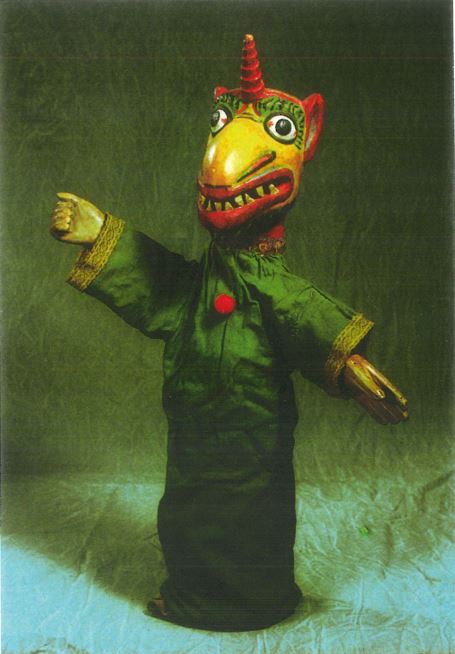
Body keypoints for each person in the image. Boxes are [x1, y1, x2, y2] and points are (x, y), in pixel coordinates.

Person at [50, 35, 408, 631]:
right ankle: (192, 596)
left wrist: (349, 365)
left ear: (307, 139)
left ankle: (256, 600)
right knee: (188, 511)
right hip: (192, 433)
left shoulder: (270, 287)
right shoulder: (198, 288)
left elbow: (299, 311)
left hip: (253, 435)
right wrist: (100, 230)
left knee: (254, 512)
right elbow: (163, 287)